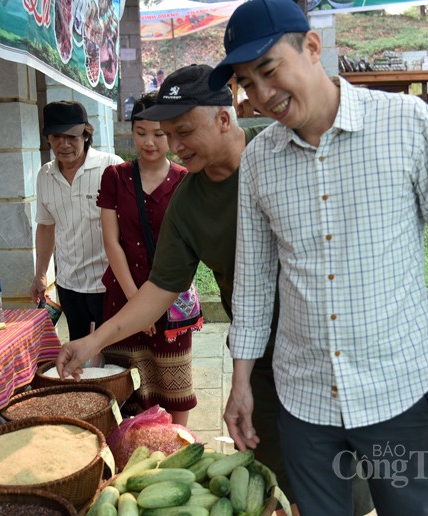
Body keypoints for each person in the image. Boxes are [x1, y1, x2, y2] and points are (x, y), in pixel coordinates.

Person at [208, 0, 428, 513]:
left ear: (311, 47)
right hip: (303, 399)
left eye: (267, 70)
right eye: (245, 83)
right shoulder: (259, 160)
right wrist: (241, 382)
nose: (261, 96)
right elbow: (255, 280)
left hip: (395, 388)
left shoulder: (406, 123)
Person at [55, 64, 374, 516]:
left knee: (345, 484)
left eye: (183, 131)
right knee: (274, 481)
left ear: (225, 118)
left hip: (333, 350)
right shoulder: (189, 199)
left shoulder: (287, 158)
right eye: (168, 133)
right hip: (259, 358)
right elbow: (159, 290)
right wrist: (92, 341)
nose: (175, 146)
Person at [97, 93, 196, 425]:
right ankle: (129, 445)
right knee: (126, 385)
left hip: (172, 298)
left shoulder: (186, 179)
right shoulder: (115, 176)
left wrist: (153, 305)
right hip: (123, 295)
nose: (149, 142)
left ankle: (180, 447)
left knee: (175, 384)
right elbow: (112, 241)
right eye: (141, 132)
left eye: (159, 133)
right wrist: (137, 303)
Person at [30, 101, 123, 340]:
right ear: (48, 139)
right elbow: (46, 226)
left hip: (109, 284)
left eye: (72, 136)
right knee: (79, 355)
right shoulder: (45, 175)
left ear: (85, 134)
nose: (64, 144)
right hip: (69, 285)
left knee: (114, 357)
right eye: (56, 136)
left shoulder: (111, 166)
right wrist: (41, 274)